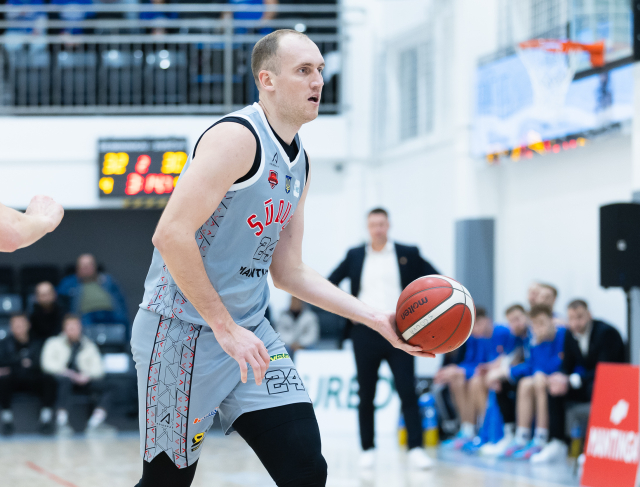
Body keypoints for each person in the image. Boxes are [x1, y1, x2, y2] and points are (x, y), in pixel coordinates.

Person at [130, 29, 431, 487]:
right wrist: (224, 327)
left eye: (320, 70)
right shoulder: (236, 138)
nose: (318, 81)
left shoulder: (300, 162)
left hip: (250, 332)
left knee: (306, 469)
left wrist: (375, 318)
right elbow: (170, 235)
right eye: (304, 70)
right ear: (267, 80)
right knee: (165, 484)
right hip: (180, 333)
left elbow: (289, 272)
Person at [328, 208, 438, 469]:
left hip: (401, 330)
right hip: (365, 332)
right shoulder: (355, 255)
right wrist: (350, 311)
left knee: (407, 390)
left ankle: (415, 448)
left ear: (388, 225)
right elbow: (330, 282)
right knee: (366, 393)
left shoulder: (408, 253)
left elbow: (435, 279)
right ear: (367, 228)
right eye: (373, 225)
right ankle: (367, 448)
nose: (377, 229)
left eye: (381, 224)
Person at [537, 299, 625, 463]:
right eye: (571, 318)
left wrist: (572, 379)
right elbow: (567, 366)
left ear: (589, 315)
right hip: (586, 381)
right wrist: (560, 378)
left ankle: (591, 446)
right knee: (555, 389)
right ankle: (558, 442)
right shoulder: (569, 334)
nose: (575, 323)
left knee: (596, 388)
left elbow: (605, 370)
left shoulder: (606, 333)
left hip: (612, 384)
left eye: (579, 317)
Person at [484, 305, 566, 460]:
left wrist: (510, 371)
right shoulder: (534, 339)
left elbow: (558, 364)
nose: (538, 328)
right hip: (539, 378)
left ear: (552, 320)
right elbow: (534, 365)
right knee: (522, 384)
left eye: (541, 323)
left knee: (536, 381)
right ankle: (521, 436)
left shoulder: (561, 334)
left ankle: (541, 438)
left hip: (560, 379)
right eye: (535, 325)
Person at [41, 314, 114, 436]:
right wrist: (68, 373)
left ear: (80, 328)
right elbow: (47, 364)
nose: (72, 329)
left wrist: (87, 375)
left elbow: (99, 368)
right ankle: (61, 423)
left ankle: (95, 423)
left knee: (109, 386)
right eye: (69, 326)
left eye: (75, 326)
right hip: (61, 379)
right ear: (64, 328)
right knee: (64, 381)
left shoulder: (88, 345)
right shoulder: (53, 343)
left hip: (83, 380)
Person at [433, 307, 493, 445]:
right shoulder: (472, 338)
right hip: (478, 373)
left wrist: (458, 370)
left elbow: (484, 365)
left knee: (472, 381)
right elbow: (470, 362)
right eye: (473, 325)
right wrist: (452, 370)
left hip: (486, 375)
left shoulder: (495, 334)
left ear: (487, 320)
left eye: (478, 323)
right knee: (456, 379)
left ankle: (485, 431)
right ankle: (467, 429)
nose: (475, 328)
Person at [478, 304, 530, 455]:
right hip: (522, 374)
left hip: (533, 377)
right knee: (498, 383)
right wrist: (499, 371)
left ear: (526, 317)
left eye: (517, 319)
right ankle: (508, 434)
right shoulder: (517, 337)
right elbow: (509, 358)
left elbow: (532, 365)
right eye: (511, 321)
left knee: (523, 384)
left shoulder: (532, 335)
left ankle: (523, 437)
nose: (515, 324)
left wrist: (506, 371)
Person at [0, 314, 56, 435]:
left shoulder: (37, 342)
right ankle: (7, 418)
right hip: (14, 379)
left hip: (33, 378)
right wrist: (20, 362)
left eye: (21, 324)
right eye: (15, 325)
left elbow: (41, 362)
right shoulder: (4, 343)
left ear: (28, 325)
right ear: (11, 327)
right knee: (3, 379)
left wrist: (18, 363)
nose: (18, 327)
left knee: (48, 379)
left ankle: (46, 418)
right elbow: (2, 362)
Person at [57, 253, 128, 327]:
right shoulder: (69, 282)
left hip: (111, 315)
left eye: (89, 265)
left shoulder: (108, 280)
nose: (86, 268)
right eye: (83, 266)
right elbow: (60, 301)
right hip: (85, 317)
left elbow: (121, 301)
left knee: (120, 320)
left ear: (95, 267)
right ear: (77, 268)